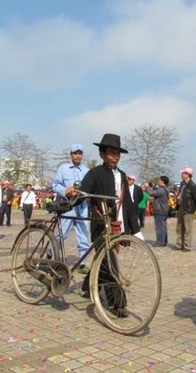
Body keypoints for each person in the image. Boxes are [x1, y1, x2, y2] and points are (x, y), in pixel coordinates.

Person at [66, 133, 140, 318]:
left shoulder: (122, 176)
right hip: (100, 225)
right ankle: (117, 304)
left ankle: (86, 287)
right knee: (109, 263)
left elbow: (129, 204)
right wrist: (73, 194)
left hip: (116, 226)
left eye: (117, 153)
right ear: (102, 155)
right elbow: (83, 192)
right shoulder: (95, 173)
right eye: (111, 153)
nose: (115, 157)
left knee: (103, 260)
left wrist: (136, 230)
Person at [52, 144, 91, 273]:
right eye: (75, 153)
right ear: (71, 155)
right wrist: (65, 191)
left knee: (83, 234)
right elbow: (55, 185)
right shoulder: (63, 169)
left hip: (82, 205)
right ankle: (50, 251)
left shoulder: (86, 171)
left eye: (80, 153)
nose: (77, 156)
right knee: (62, 233)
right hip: (68, 206)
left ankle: (83, 262)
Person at [175, 167, 196, 251]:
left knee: (188, 228)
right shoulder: (182, 185)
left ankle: (187, 245)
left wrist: (192, 209)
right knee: (179, 228)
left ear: (188, 175)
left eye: (184, 173)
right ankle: (179, 244)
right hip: (181, 207)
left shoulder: (192, 186)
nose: (182, 174)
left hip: (188, 209)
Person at [144, 175, 170, 247]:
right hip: (164, 210)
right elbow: (156, 191)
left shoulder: (161, 190)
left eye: (159, 180)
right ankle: (164, 241)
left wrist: (147, 187)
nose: (158, 181)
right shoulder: (166, 189)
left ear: (162, 181)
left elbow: (151, 193)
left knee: (159, 227)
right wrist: (153, 187)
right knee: (163, 226)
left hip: (160, 210)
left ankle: (160, 242)